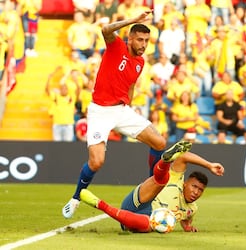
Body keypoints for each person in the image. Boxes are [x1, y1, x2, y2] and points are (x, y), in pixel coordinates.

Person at [62, 11, 170, 219]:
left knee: (159, 142)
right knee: (96, 162)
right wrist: (133, 20)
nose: (144, 44)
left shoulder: (140, 62)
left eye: (147, 41)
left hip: (121, 110)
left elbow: (130, 84)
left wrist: (128, 105)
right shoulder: (116, 46)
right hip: (99, 111)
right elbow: (105, 30)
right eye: (140, 39)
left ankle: (150, 191)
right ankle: (75, 198)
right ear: (130, 38)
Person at [79, 143, 225, 232]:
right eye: (194, 186)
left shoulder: (192, 209)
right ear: (186, 183)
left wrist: (187, 227)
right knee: (162, 181)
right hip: (140, 200)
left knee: (150, 225)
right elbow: (183, 156)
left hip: (139, 219)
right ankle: (165, 161)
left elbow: (186, 220)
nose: (196, 192)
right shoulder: (178, 179)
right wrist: (209, 165)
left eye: (200, 190)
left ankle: (99, 204)